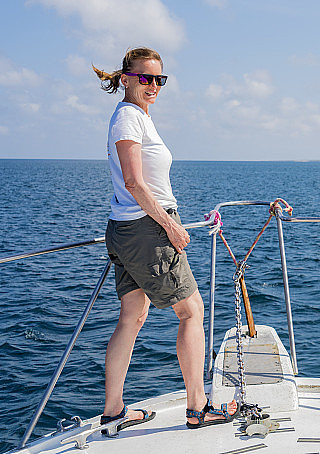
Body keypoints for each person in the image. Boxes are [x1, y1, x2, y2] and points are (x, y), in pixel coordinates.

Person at [94, 47, 238, 431]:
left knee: (133, 316)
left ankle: (114, 411)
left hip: (127, 229)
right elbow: (133, 182)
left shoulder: (138, 116)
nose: (154, 85)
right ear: (126, 78)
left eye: (160, 79)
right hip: (147, 229)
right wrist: (170, 226)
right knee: (191, 311)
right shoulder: (128, 117)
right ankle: (198, 407)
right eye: (145, 78)